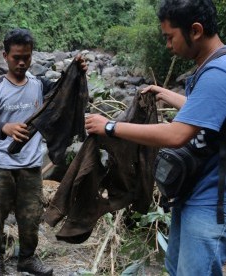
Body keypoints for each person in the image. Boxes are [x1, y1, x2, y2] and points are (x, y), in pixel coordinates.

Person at [84, 0, 226, 275]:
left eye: (170, 37)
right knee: (176, 267)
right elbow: (210, 115)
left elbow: (176, 135)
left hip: (212, 202)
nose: (168, 46)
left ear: (195, 30)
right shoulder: (211, 66)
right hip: (195, 193)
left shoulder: (218, 74)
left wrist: (110, 127)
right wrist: (167, 95)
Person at [0, 28, 87, 276]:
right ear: (5, 56)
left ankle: (27, 258)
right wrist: (5, 127)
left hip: (31, 164)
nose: (22, 62)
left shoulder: (40, 86)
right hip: (0, 164)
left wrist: (76, 73)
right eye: (16, 57)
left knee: (31, 215)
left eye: (26, 56)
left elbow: (62, 95)